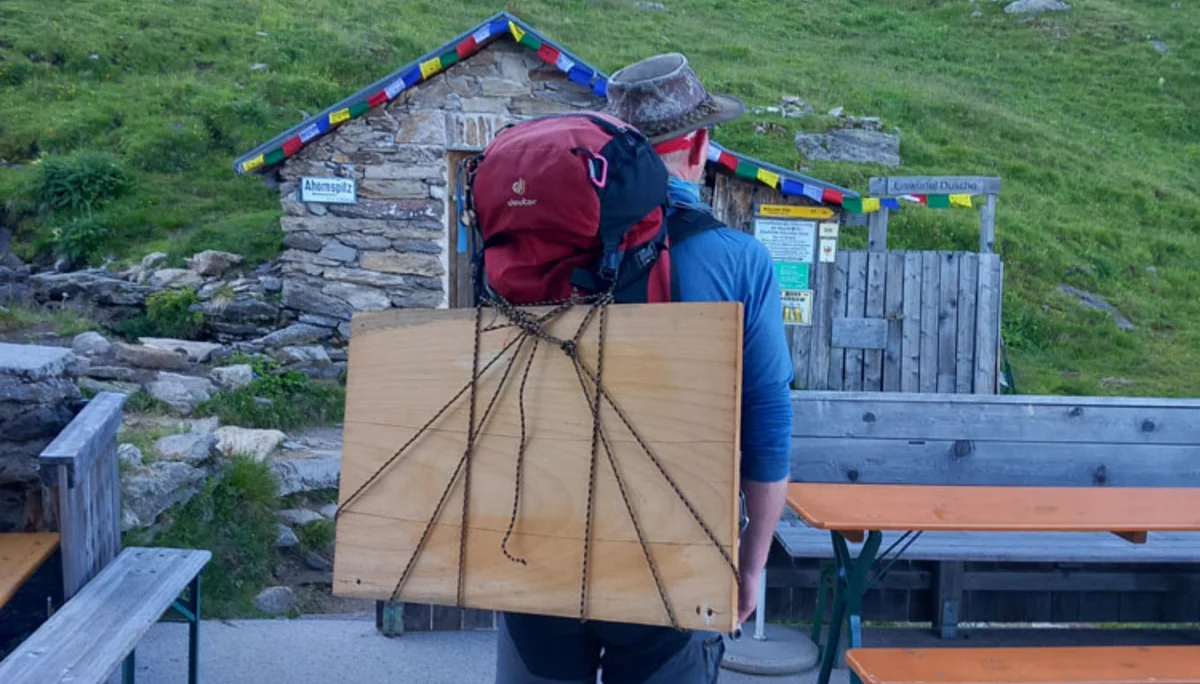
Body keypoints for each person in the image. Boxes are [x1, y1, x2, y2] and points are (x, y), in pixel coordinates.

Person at [495, 53, 794, 684]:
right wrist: (751, 562)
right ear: (701, 143)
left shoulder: (533, 245)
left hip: (533, 539)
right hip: (673, 550)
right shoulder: (735, 258)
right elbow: (766, 422)